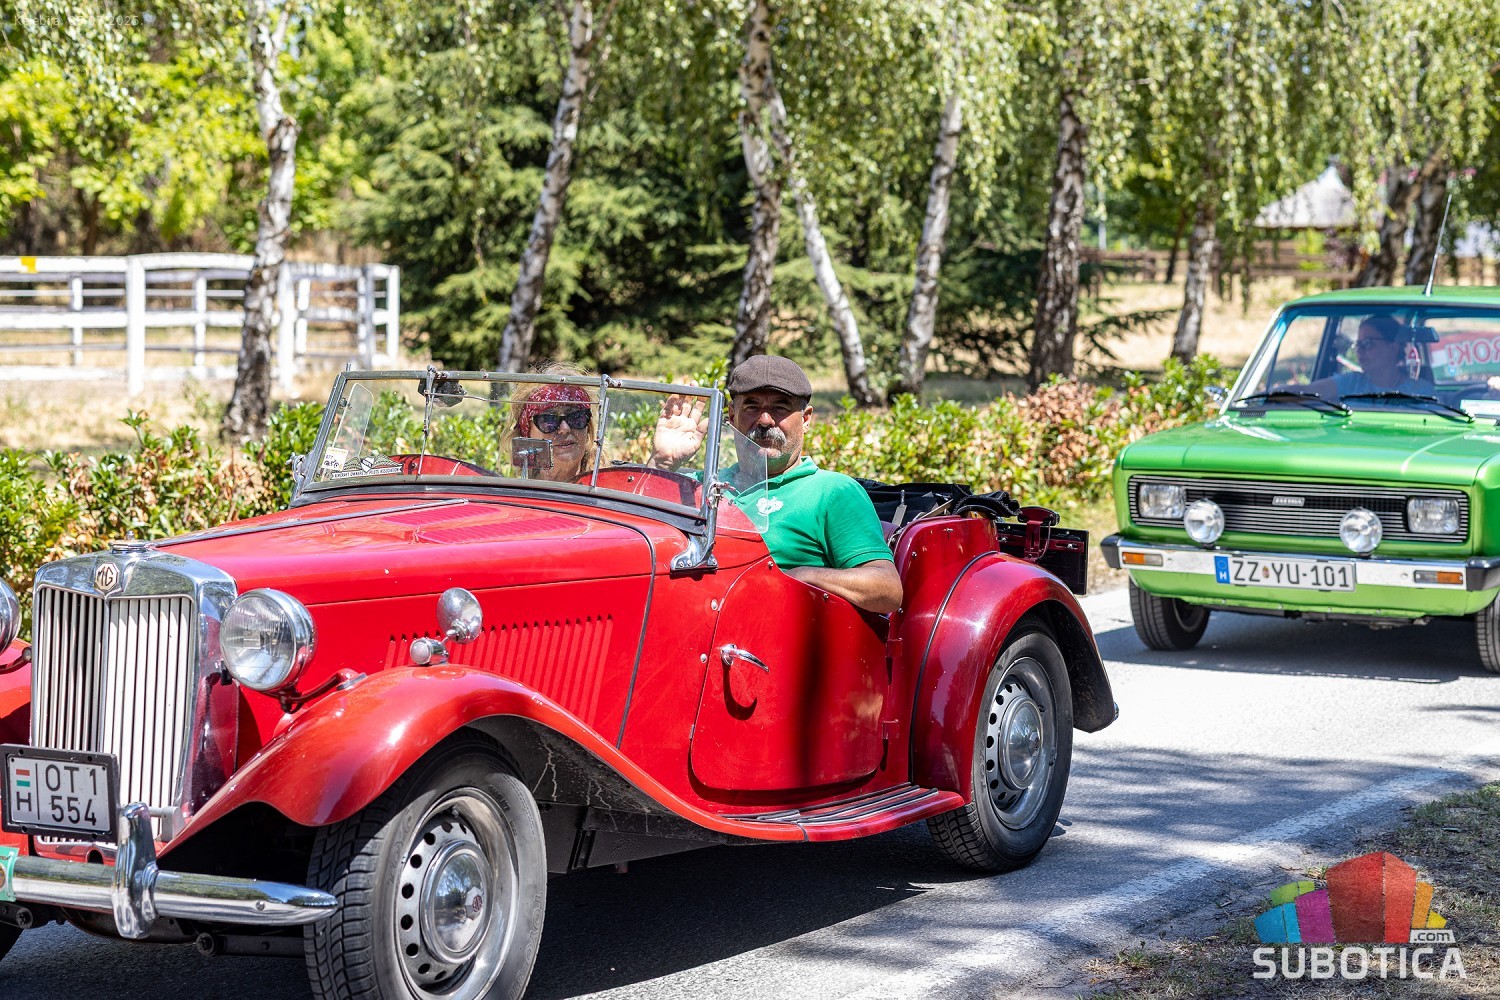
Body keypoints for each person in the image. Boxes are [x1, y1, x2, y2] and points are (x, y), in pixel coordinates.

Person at [651, 355, 903, 615]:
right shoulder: (702, 484)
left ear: (806, 419)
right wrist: (662, 462)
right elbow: (636, 529)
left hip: (764, 633)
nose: (765, 420)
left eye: (781, 407)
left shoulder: (832, 492)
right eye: (752, 407)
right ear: (732, 416)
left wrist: (794, 577)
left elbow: (886, 589)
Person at [503, 362, 597, 482]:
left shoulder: (610, 485)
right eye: (549, 420)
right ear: (526, 433)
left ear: (588, 429)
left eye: (576, 417)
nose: (565, 428)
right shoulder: (515, 490)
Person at [1305, 316, 1431, 400]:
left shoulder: (1422, 392)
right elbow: (1306, 392)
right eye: (1357, 344)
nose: (1359, 350)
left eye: (1367, 343)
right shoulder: (1350, 383)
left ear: (1393, 348)